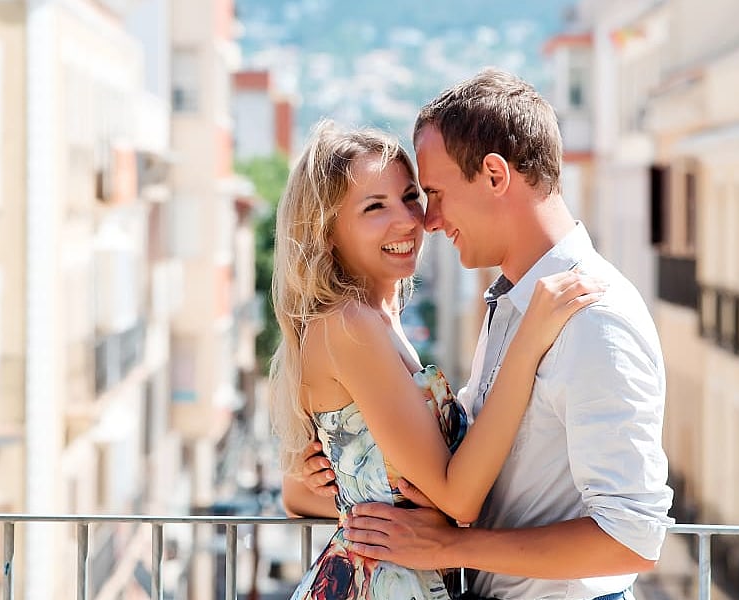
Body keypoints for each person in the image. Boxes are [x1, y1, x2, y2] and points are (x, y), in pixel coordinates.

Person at [294, 68, 674, 600]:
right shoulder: (513, 305)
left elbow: (632, 541)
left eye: (432, 194)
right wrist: (339, 476)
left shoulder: (593, 318)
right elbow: (462, 457)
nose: (427, 220)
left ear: (495, 176)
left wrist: (452, 550)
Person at [270, 120, 606, 600]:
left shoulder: (378, 320)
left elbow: (307, 492)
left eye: (411, 196)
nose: (409, 220)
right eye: (374, 207)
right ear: (327, 233)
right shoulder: (350, 325)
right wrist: (528, 341)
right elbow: (459, 497)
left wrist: (357, 491)